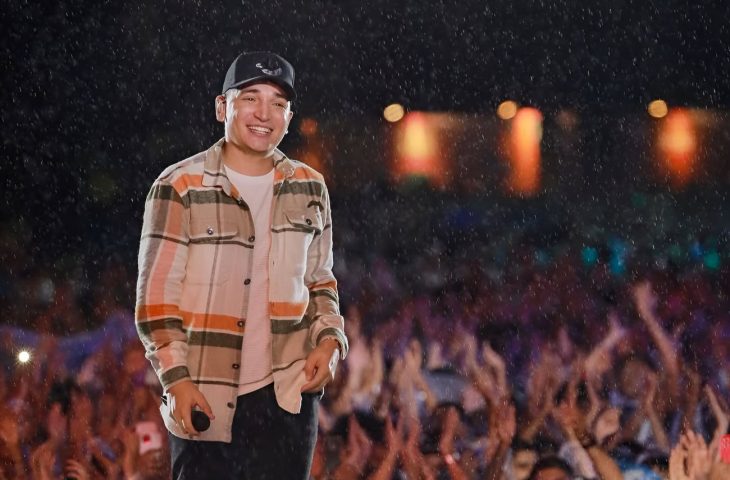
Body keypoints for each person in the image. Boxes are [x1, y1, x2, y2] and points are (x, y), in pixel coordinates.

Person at [135, 51, 348, 480]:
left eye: (277, 103)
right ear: (222, 107)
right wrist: (176, 380)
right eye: (250, 98)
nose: (264, 113)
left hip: (289, 400)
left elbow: (320, 281)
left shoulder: (311, 186)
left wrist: (330, 341)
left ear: (289, 117)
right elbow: (156, 299)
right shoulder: (179, 185)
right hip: (205, 395)